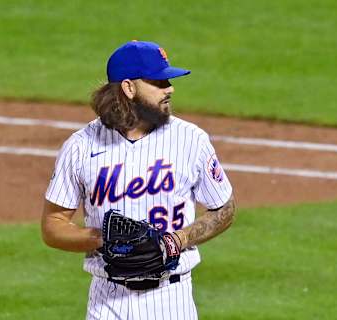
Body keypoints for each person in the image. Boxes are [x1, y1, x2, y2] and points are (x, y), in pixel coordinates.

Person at [41, 40, 236, 320]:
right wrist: (104, 240)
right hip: (106, 302)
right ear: (128, 87)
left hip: (171, 300)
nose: (169, 88)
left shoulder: (190, 139)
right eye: (158, 81)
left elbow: (224, 208)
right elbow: (53, 225)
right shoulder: (80, 146)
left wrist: (176, 240)